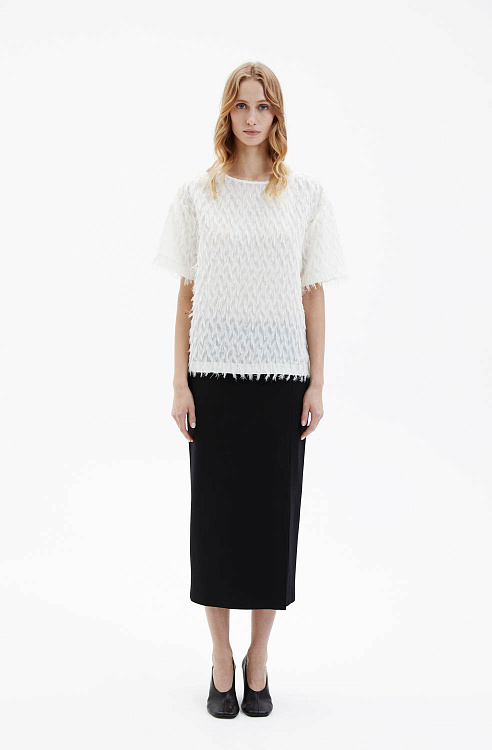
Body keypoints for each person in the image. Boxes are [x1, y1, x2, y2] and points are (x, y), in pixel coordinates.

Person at [153, 61, 348, 718]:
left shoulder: (306, 196)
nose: (252, 117)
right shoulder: (197, 195)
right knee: (214, 524)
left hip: (280, 383)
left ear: (277, 114)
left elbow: (313, 294)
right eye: (242, 105)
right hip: (212, 381)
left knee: (271, 524)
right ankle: (219, 658)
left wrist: (317, 381)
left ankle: (258, 660)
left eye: (263, 106)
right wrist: (179, 381)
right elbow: (185, 295)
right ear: (227, 113)